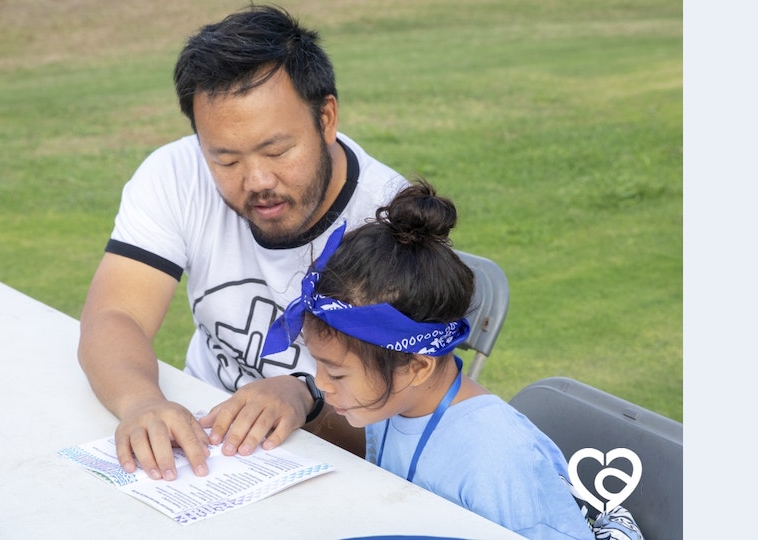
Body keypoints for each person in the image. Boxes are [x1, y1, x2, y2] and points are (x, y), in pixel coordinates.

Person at [77, 4, 408, 482]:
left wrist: (305, 400)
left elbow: (399, 423)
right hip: (206, 445)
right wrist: (141, 402)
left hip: (336, 472)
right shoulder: (174, 173)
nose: (257, 180)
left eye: (277, 150)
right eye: (226, 160)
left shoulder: (387, 220)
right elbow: (114, 314)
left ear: (327, 117)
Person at [260, 180, 600, 539]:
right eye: (320, 365)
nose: (322, 383)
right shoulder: (396, 404)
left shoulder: (494, 462)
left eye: (338, 374)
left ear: (418, 366)